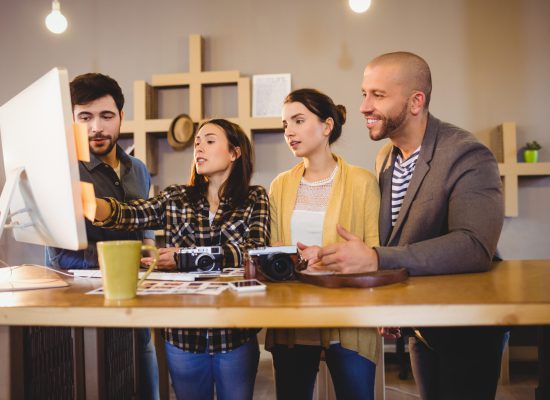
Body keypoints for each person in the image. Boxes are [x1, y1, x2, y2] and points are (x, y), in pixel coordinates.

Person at [315, 52, 506, 400]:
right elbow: (401, 234)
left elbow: (474, 246)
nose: (363, 107)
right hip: (422, 325)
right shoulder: (385, 157)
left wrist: (376, 259)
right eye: (363, 93)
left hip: (467, 330)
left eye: (378, 95)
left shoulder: (467, 154)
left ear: (416, 101)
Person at [93, 118, 270, 400]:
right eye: (197, 142)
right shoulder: (177, 197)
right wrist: (89, 204)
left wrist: (185, 258)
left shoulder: (255, 197)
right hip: (183, 336)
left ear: (235, 152)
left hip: (236, 332)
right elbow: (130, 213)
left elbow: (253, 253)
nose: (199, 147)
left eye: (210, 141)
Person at [46, 73, 160, 399]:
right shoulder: (62, 170)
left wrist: (149, 243)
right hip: (78, 297)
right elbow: (57, 250)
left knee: (141, 362)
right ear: (71, 121)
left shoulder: (137, 168)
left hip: (132, 294)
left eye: (106, 116)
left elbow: (145, 217)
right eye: (85, 117)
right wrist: (123, 260)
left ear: (121, 117)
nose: (96, 127)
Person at [267, 88, 381, 400]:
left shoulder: (362, 182)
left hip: (349, 315)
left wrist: (327, 258)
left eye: (298, 120)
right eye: (285, 124)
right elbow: (275, 247)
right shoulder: (280, 185)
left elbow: (375, 249)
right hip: (293, 316)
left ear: (327, 126)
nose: (289, 131)